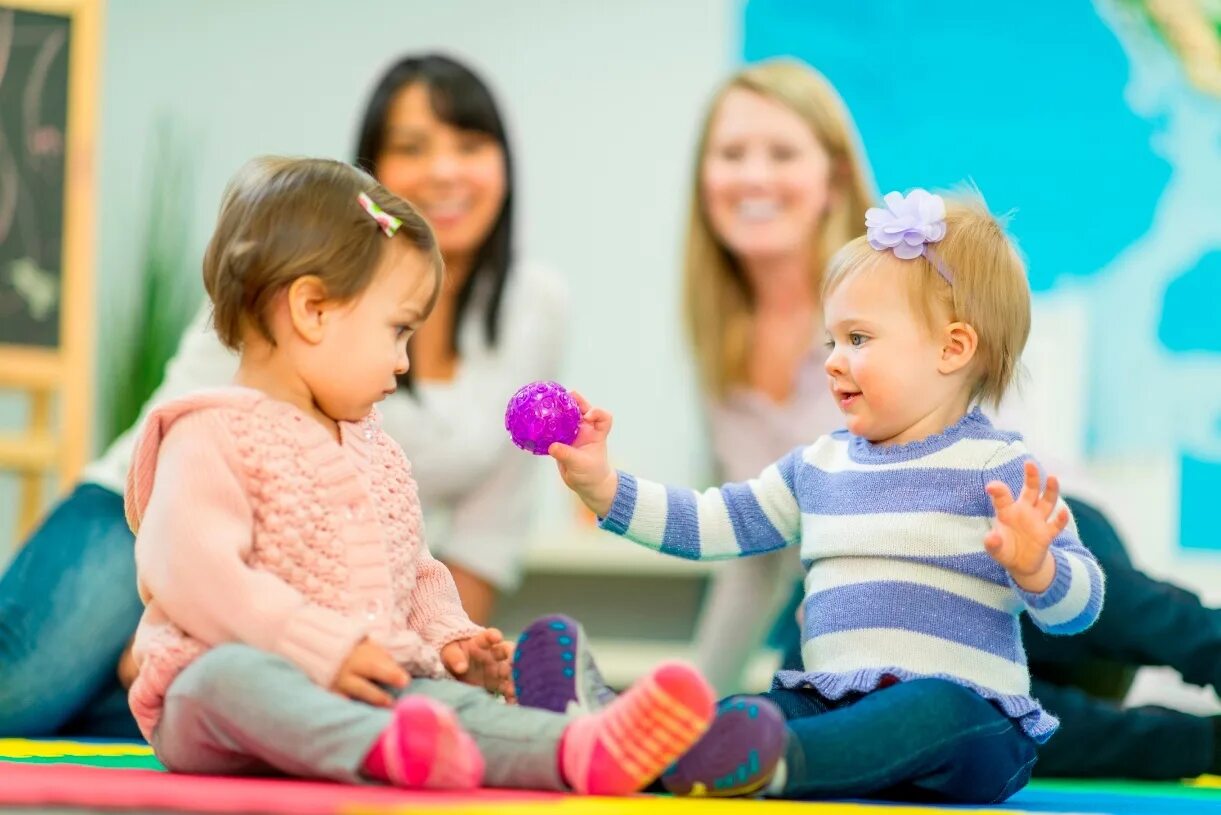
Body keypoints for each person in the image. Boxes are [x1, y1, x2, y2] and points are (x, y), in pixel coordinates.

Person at [0, 53, 561, 737]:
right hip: (151, 521)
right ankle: (158, 675)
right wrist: (180, 621)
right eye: (414, 147)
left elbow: (483, 530)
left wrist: (442, 649)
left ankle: (162, 688)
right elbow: (193, 440)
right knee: (19, 696)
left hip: (307, 576)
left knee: (242, 699)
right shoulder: (283, 288)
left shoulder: (536, 307)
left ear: (502, 162)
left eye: (469, 145)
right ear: (372, 173)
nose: (445, 170)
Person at [128, 155, 714, 794]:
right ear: (312, 310)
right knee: (227, 681)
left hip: (364, 686)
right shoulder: (210, 432)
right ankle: (387, 746)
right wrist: (315, 644)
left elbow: (416, 569)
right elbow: (194, 576)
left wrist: (449, 638)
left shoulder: (377, 449)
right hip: (222, 695)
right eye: (397, 331)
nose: (405, 362)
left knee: (449, 705)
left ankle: (579, 748)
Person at [528, 188, 1107, 802]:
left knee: (933, 707)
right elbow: (711, 522)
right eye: (830, 341)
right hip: (831, 701)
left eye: (858, 338)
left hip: (975, 726)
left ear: (953, 348)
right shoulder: (818, 465)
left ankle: (769, 762)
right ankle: (616, 736)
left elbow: (1081, 607)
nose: (832, 362)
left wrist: (1038, 569)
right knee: (754, 707)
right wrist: (604, 487)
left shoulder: (998, 466)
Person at [680, 58, 875, 695]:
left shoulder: (887, 310)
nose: (753, 176)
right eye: (732, 153)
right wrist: (691, 706)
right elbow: (755, 559)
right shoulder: (720, 348)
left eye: (783, 153)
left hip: (1003, 603)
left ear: (834, 179)